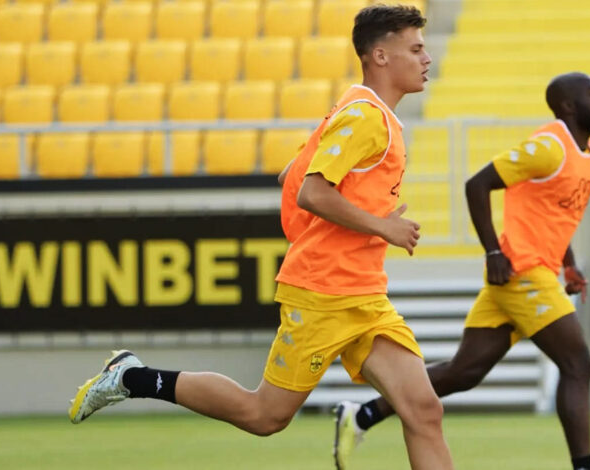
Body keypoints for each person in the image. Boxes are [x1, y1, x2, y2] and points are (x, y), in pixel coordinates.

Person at [68, 5, 454, 470]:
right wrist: (382, 225)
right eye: (416, 49)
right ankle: (133, 378)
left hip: (364, 294)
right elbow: (311, 191)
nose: (426, 58)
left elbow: (290, 175)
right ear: (380, 56)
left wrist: (360, 217)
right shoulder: (365, 116)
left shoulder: (364, 112)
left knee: (423, 410)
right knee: (264, 415)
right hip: (324, 293)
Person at [333, 72, 590, 470]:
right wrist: (493, 251)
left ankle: (363, 414)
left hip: (528, 275)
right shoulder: (550, 147)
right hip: (523, 272)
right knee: (578, 365)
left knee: (464, 373)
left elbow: (554, 214)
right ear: (568, 105)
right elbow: (476, 185)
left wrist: (569, 265)